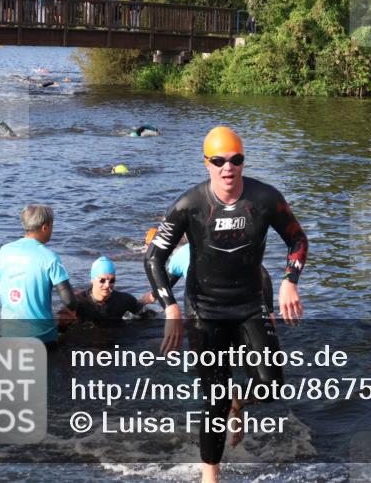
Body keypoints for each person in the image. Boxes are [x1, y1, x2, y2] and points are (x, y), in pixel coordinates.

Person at [144, 126, 307, 482]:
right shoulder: (190, 204)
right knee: (213, 401)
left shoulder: (264, 199)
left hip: (249, 304)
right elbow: (154, 258)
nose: (227, 168)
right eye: (218, 161)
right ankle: (211, 475)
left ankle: (239, 401)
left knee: (271, 384)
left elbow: (297, 239)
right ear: (206, 163)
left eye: (235, 160)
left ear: (243, 162)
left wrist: (289, 282)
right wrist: (170, 307)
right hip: (205, 311)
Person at [0, 204, 77, 344]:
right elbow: (69, 301)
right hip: (41, 337)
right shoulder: (50, 257)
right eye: (52, 226)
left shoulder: (4, 251)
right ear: (45, 227)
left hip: (8, 334)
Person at [69, 257, 155, 325]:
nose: (107, 285)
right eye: (102, 280)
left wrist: (144, 302)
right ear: (92, 280)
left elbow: (148, 317)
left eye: (112, 281)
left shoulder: (124, 300)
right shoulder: (79, 302)